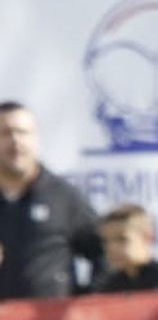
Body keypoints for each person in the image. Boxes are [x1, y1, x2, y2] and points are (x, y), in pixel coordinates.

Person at [0, 101, 102, 299]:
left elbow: (104, 251)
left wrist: (88, 300)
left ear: (36, 138)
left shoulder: (63, 197)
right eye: (5, 133)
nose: (15, 141)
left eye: (23, 132)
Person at [90, 203, 158, 292]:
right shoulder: (109, 287)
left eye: (122, 239)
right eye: (105, 241)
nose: (112, 248)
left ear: (148, 238)